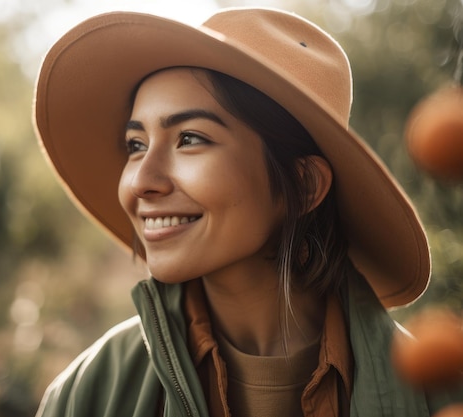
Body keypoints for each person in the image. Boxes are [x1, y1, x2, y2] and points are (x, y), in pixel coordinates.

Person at [32, 7, 462, 417]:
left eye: (189, 139)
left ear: (305, 184)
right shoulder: (87, 394)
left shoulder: (439, 392)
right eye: (135, 145)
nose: (141, 181)